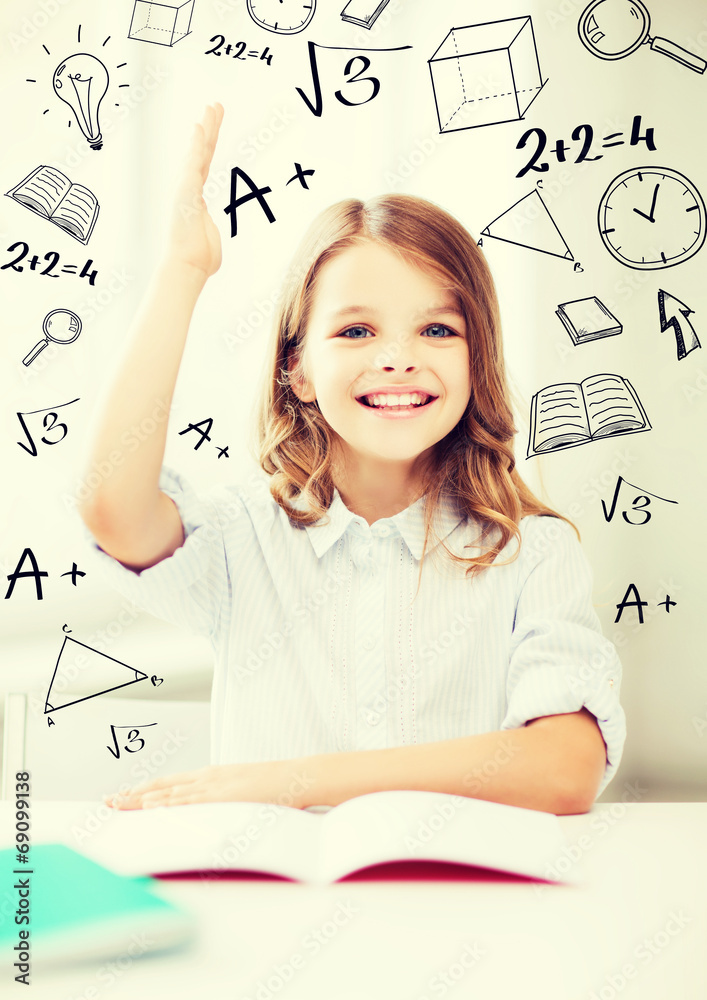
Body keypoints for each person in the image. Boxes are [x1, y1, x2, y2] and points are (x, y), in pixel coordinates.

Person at [78, 103, 625, 815]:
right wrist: (183, 271)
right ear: (297, 370)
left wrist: (287, 783)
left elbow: (563, 769)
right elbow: (112, 508)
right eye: (357, 329)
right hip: (274, 911)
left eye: (436, 328)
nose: (397, 359)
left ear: (475, 360)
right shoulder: (244, 535)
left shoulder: (532, 554)